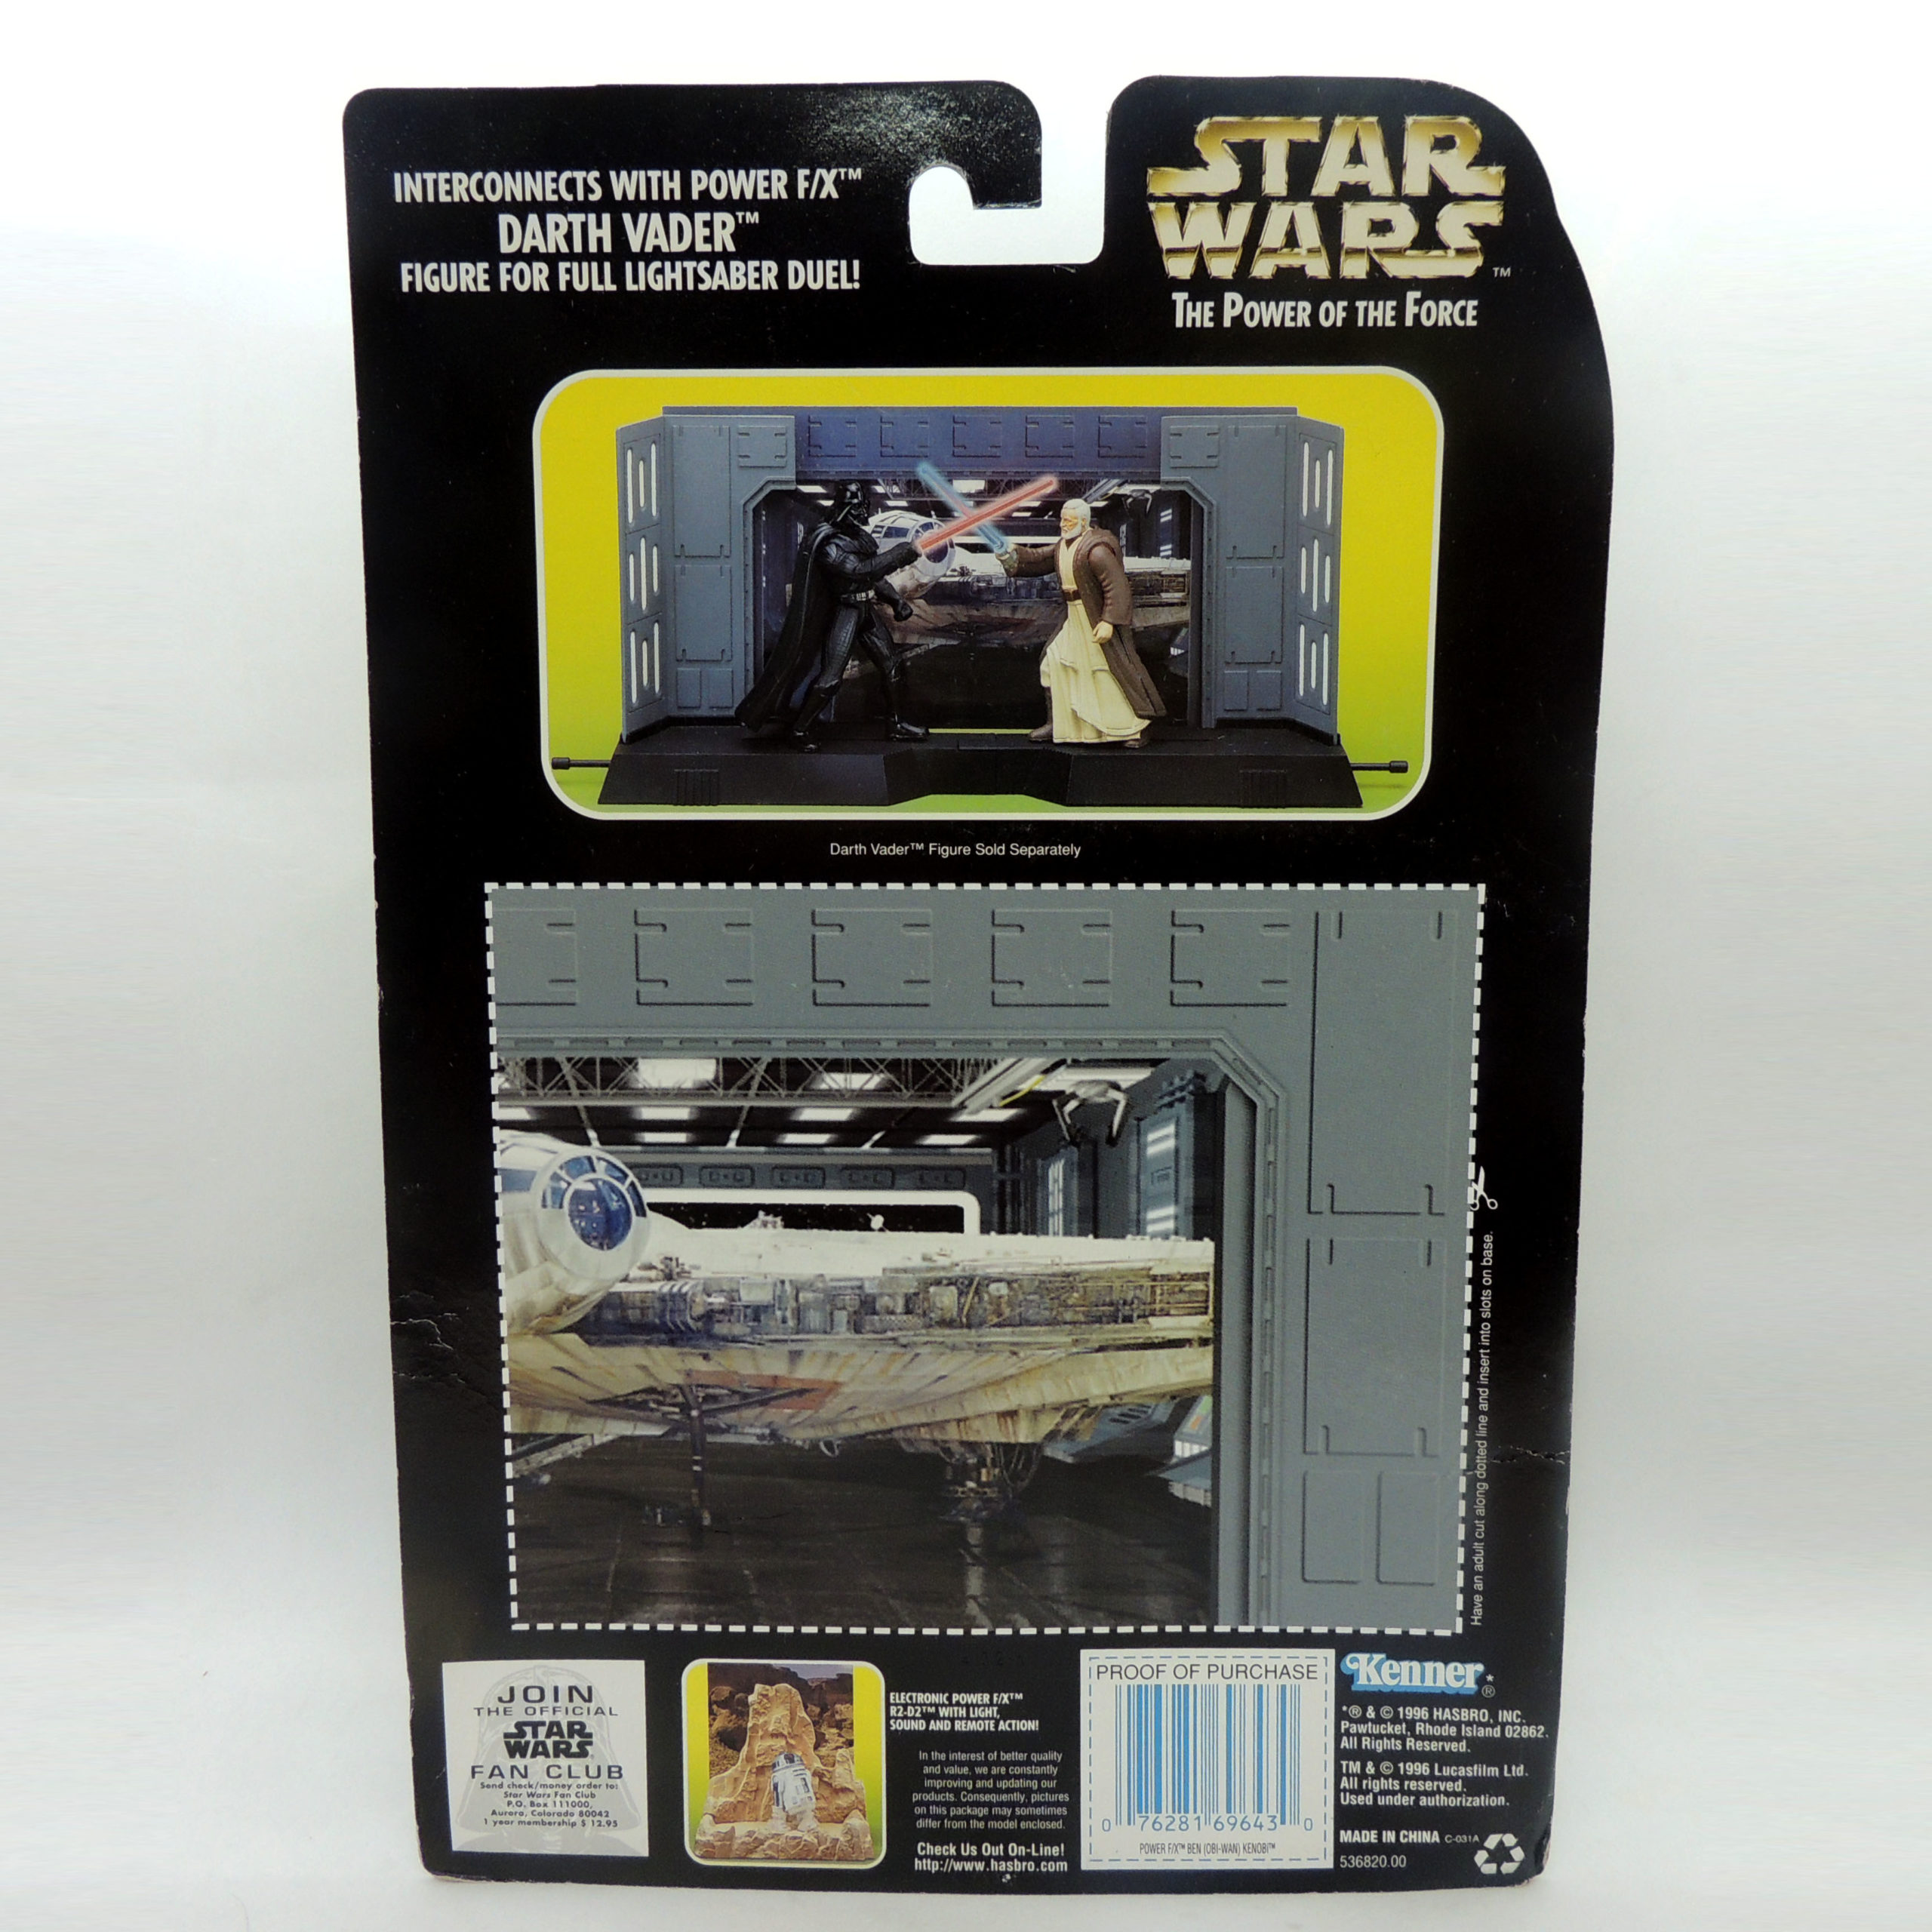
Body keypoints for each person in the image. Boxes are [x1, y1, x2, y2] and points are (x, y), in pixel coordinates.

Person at [735, 484, 928, 745]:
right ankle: (800, 730)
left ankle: (896, 724)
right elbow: (861, 571)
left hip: (864, 609)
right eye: (857, 507)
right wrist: (903, 553)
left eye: (864, 506)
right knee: (831, 679)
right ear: (844, 508)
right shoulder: (829, 545)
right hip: (845, 612)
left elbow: (872, 579)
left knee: (892, 665)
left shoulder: (859, 538)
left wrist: (896, 601)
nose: (863, 512)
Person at [1001, 498, 1166, 745]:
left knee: (1104, 672)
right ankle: (1058, 724)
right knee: (1053, 663)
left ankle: (1134, 727)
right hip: (1074, 617)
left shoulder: (1097, 551)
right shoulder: (1064, 546)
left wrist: (1108, 621)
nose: (1063, 525)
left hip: (1093, 618)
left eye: (1069, 521)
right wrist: (1010, 554)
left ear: (1084, 522)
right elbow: (1037, 558)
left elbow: (1117, 587)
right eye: (1062, 520)